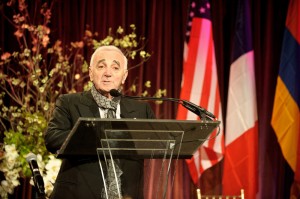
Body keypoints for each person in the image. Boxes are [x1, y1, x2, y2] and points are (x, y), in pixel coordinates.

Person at [44, 45, 155, 199]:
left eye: (115, 68)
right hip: (78, 194)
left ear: (124, 76)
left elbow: (157, 142)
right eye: (101, 66)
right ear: (91, 73)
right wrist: (98, 138)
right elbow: (52, 138)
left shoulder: (141, 110)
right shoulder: (69, 102)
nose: (107, 73)